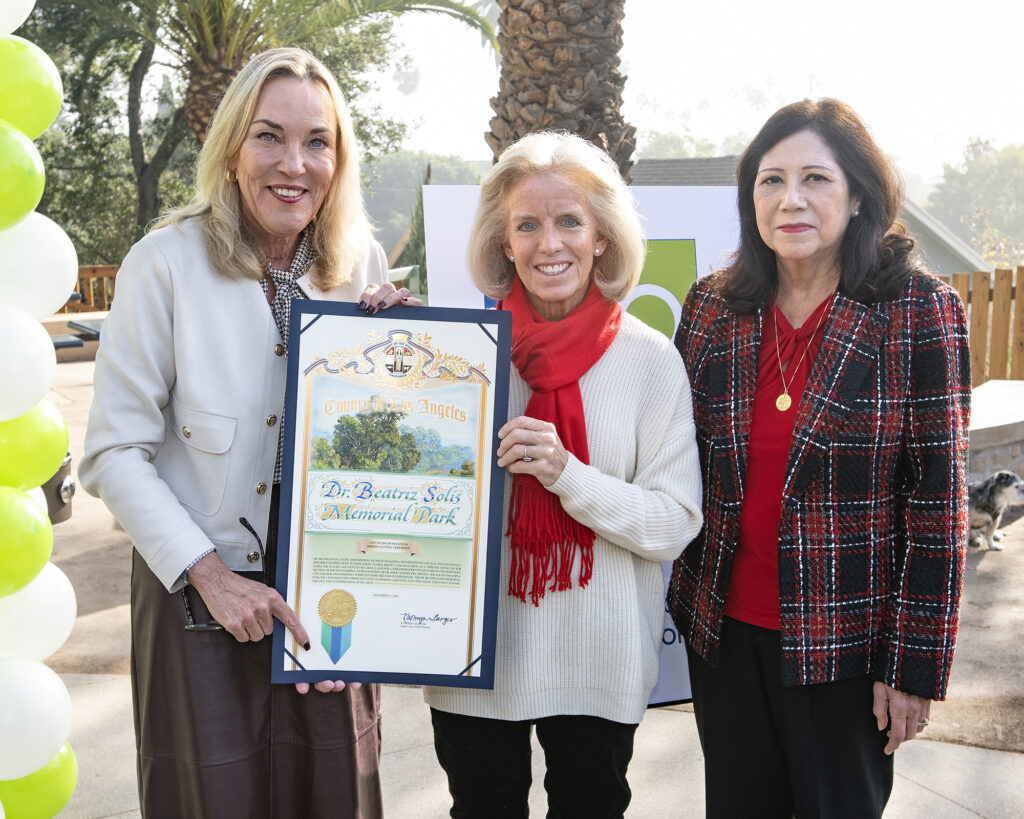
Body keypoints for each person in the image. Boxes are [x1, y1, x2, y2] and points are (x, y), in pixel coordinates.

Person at [79, 48, 416, 818]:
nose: (292, 163)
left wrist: (407, 360)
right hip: (197, 592)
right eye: (269, 136)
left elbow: (379, 433)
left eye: (317, 141)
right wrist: (212, 575)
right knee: (210, 796)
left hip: (324, 594)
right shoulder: (162, 264)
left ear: (340, 156)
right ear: (232, 146)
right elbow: (112, 453)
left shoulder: (359, 261)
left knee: (336, 793)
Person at [668, 98, 971, 818]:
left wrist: (913, 667)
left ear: (858, 193)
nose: (790, 199)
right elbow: (668, 451)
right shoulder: (712, 306)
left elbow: (937, 506)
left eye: (815, 179)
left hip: (849, 649)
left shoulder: (916, 310)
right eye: (770, 180)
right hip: (725, 639)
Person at [423, 131, 704, 818]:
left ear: (602, 235)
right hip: (474, 662)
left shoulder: (650, 360)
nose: (550, 243)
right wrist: (371, 340)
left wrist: (568, 474)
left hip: (598, 662)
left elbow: (675, 521)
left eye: (569, 221)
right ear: (505, 242)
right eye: (528, 224)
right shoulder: (455, 354)